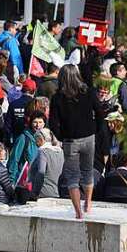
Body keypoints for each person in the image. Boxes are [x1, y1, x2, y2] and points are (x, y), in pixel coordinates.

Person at [49, 64, 103, 219]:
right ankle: (88, 202)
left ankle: (78, 211)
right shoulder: (89, 92)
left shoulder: (58, 97)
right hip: (88, 136)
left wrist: (61, 136)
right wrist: (96, 130)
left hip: (70, 139)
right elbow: (99, 112)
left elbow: (53, 122)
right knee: (87, 171)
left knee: (72, 177)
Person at [29, 128, 65, 198]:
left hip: (44, 192)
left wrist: (35, 192)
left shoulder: (42, 151)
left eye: (36, 140)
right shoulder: (60, 151)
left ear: (40, 139)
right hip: (58, 191)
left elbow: (41, 172)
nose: (36, 143)